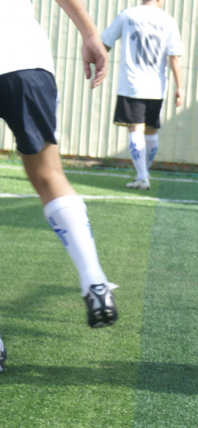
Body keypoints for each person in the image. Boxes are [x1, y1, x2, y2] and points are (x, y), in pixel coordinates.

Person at [0, 0, 117, 330]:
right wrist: (91, 34)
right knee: (50, 175)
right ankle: (94, 282)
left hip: (24, 57)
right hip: (26, 59)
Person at [101, 0, 184, 190]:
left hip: (132, 84)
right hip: (157, 86)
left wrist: (97, 62)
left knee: (135, 129)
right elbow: (175, 56)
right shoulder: (168, 20)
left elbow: (105, 42)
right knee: (151, 130)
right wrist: (180, 86)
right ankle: (143, 174)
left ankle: (142, 175)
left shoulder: (128, 15)